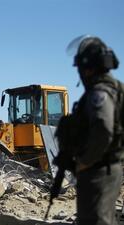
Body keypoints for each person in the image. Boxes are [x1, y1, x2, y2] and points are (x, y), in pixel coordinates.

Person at [67, 35, 122, 225]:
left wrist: (84, 161)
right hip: (105, 168)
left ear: (87, 67)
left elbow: (103, 131)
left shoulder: (100, 94)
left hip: (98, 171)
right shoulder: (112, 89)